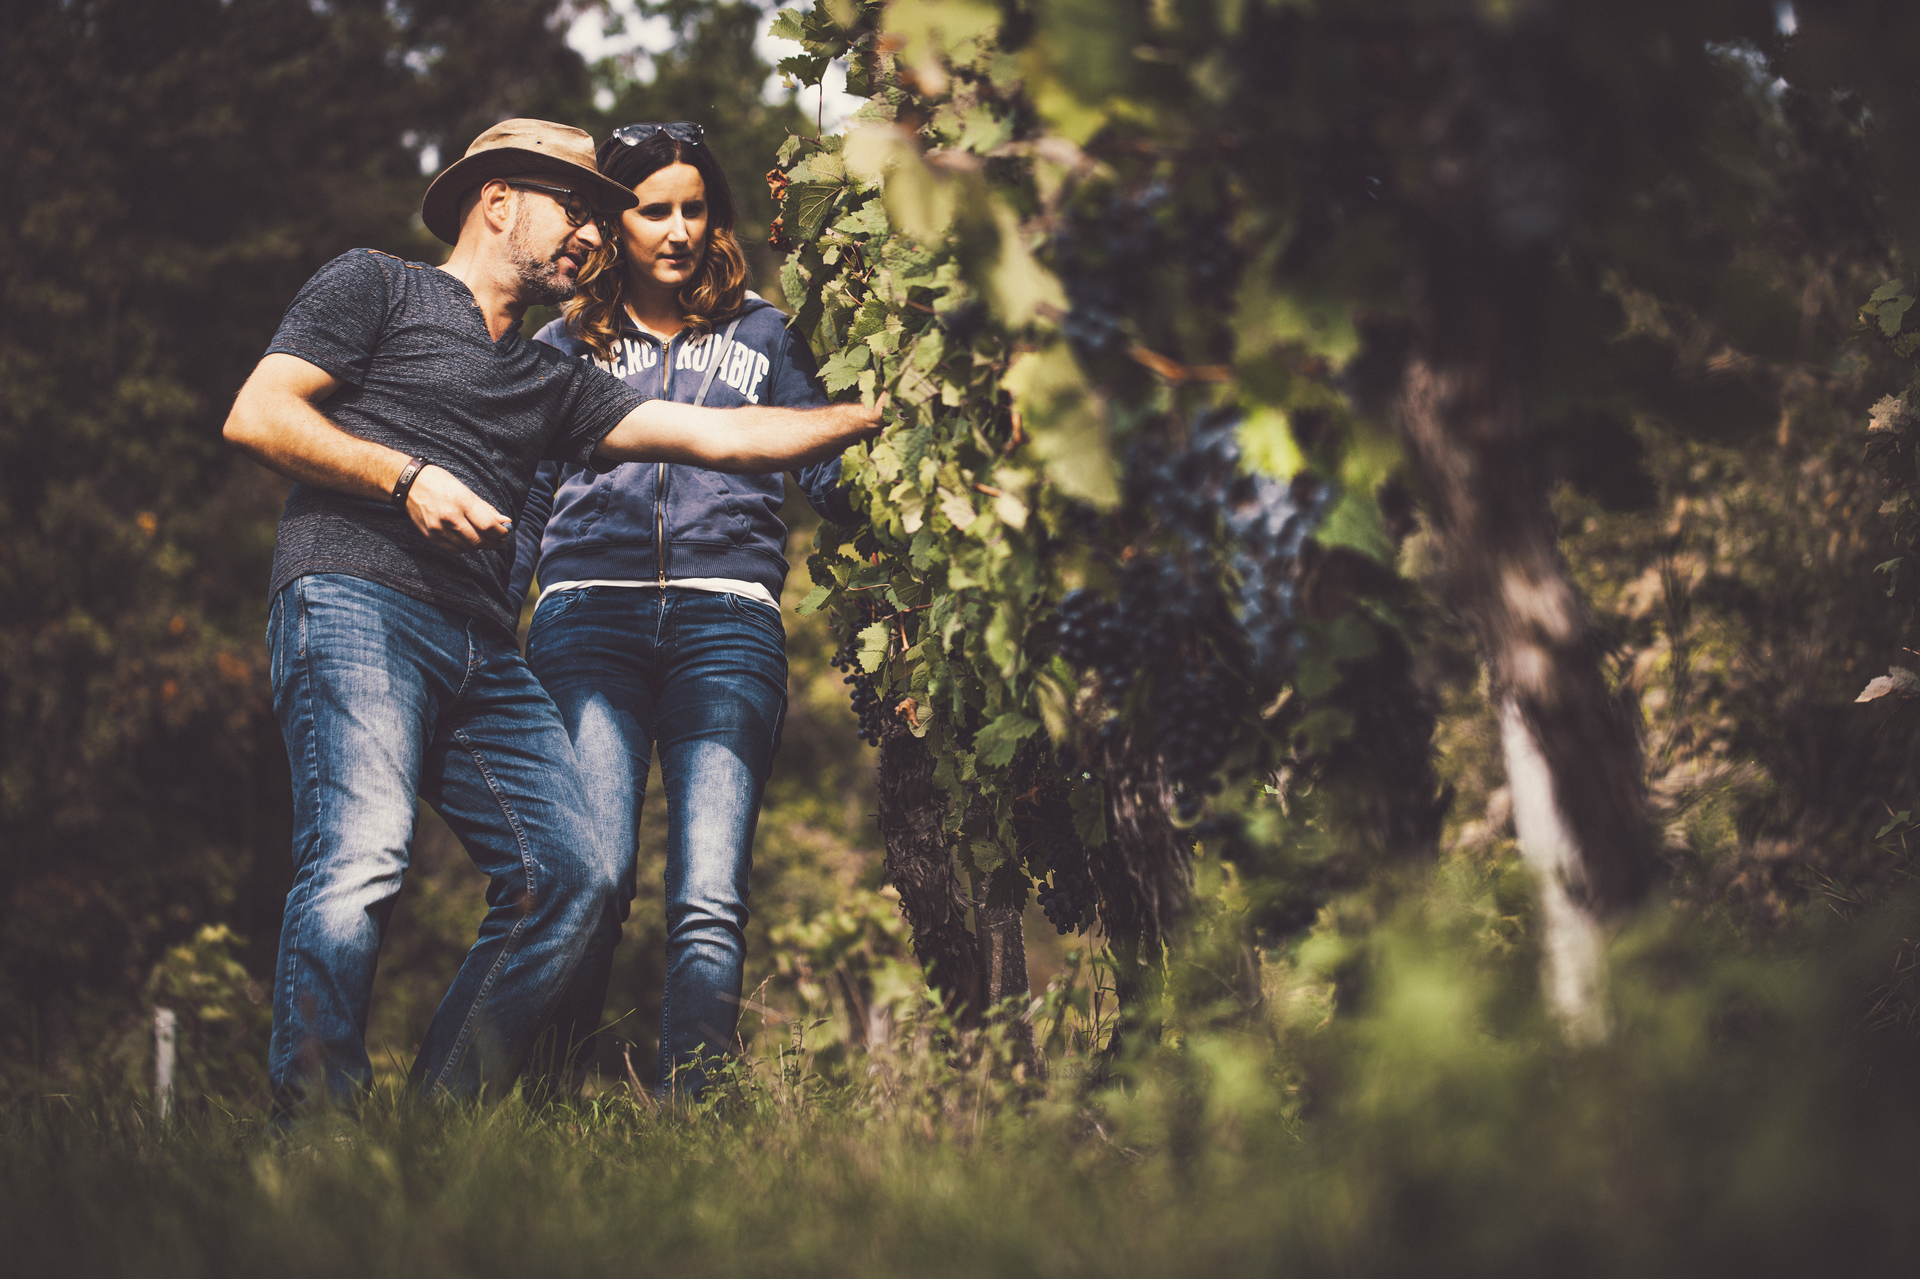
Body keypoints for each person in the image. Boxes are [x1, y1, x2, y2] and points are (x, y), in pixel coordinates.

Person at [221, 118, 882, 1112]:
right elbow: (260, 412)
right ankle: (318, 1132)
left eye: (599, 218)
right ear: (496, 200)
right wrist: (406, 477)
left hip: (481, 645)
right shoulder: (377, 285)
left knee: (574, 876)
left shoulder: (555, 378)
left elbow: (727, 437)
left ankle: (438, 1124)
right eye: (577, 209)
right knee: (363, 856)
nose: (595, 234)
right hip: (357, 597)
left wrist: (876, 412)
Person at [508, 121, 855, 1099]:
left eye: (694, 209)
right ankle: (546, 1104)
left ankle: (695, 1111)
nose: (677, 230)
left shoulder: (767, 334)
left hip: (727, 621)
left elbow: (823, 467)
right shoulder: (559, 342)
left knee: (707, 893)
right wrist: (489, 613)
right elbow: (527, 500)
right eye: (654, 209)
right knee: (595, 876)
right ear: (614, 221)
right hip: (586, 619)